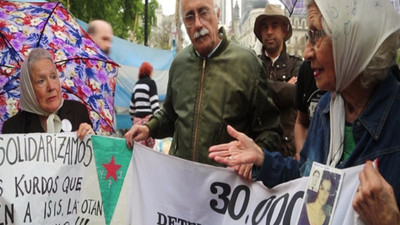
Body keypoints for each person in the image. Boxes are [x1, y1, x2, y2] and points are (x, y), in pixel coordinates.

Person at [209, 0, 400, 224]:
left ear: (355, 38)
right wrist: (262, 158)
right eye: (308, 35)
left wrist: (389, 221)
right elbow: (307, 177)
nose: (307, 52)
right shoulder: (325, 108)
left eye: (316, 35)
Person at [125, 0, 282, 167]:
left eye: (203, 12)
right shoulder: (179, 64)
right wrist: (149, 128)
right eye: (189, 17)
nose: (198, 24)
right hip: (180, 180)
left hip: (225, 186)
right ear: (184, 24)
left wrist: (254, 155)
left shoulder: (247, 63)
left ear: (218, 14)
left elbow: (270, 130)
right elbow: (170, 115)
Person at [2, 48, 93, 140]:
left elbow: (95, 153)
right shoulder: (13, 128)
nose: (51, 87)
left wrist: (92, 140)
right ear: (29, 90)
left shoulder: (78, 111)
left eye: (53, 77)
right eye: (41, 81)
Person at [253, 4, 303, 157]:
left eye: (274, 26)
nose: (269, 32)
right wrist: (284, 87)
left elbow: (296, 94)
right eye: (265, 27)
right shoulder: (253, 64)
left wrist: (260, 86)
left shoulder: (297, 65)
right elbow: (250, 93)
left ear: (284, 30)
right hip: (258, 151)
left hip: (288, 152)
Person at [294, 61, 326, 158]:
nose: (307, 54)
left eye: (317, 45)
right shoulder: (306, 68)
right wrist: (302, 155)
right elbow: (301, 122)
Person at [129, 62, 159, 148]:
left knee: (139, 148)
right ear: (150, 72)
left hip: (137, 121)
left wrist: (134, 121)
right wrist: (158, 120)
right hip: (148, 121)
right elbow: (155, 105)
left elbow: (131, 108)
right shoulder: (151, 83)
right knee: (150, 149)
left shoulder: (136, 85)